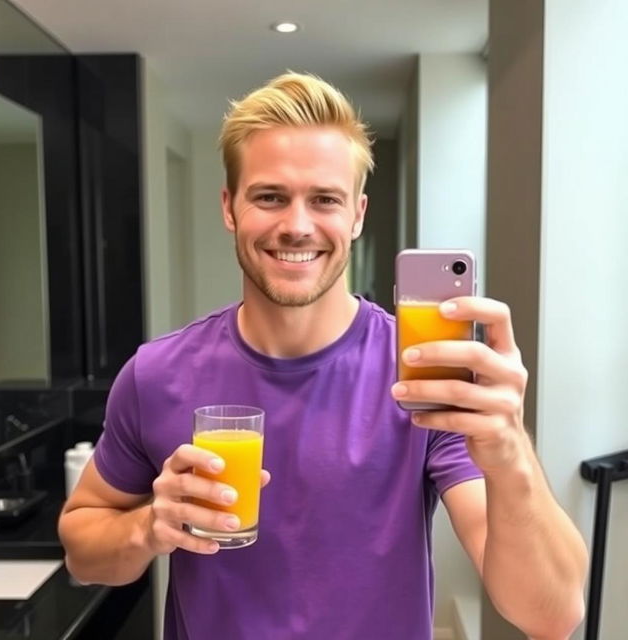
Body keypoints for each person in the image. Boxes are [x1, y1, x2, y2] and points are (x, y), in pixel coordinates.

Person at [58, 72, 588, 640]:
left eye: (325, 200)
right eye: (269, 197)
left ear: (357, 215)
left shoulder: (425, 377)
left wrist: (509, 451)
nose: (297, 225)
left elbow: (551, 615)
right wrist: (149, 528)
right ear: (230, 207)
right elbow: (83, 551)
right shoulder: (157, 374)